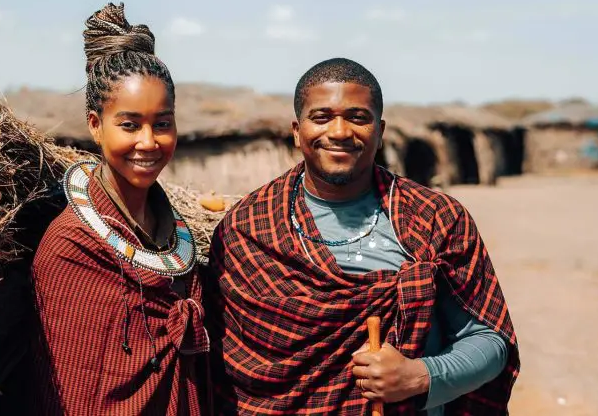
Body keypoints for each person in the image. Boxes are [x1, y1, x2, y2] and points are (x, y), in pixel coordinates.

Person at [205, 58, 520, 415]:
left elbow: (489, 341)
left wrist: (421, 376)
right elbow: (224, 362)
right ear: (296, 131)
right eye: (321, 117)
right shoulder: (247, 228)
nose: (339, 131)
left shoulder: (435, 218)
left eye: (358, 117)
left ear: (380, 130)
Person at [31, 3, 211, 415]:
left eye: (162, 124)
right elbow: (78, 394)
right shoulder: (70, 249)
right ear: (95, 125)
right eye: (129, 125)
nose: (148, 142)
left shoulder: (170, 234)